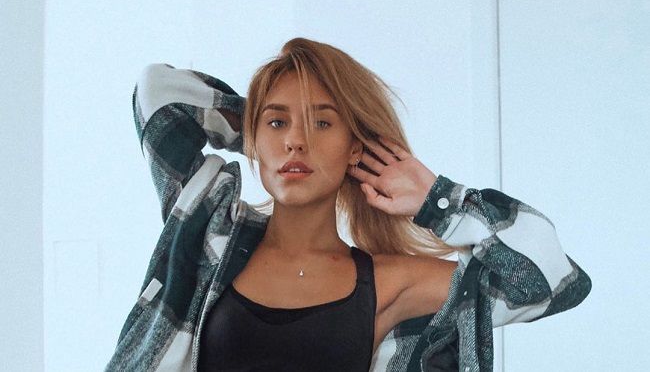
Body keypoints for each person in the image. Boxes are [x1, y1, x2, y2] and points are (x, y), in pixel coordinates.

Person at [105, 37, 591, 371]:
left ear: (355, 148)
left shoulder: (391, 284)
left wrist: (438, 201)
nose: (296, 141)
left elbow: (554, 283)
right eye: (277, 123)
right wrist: (255, 127)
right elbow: (158, 95)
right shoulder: (208, 237)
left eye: (321, 123)